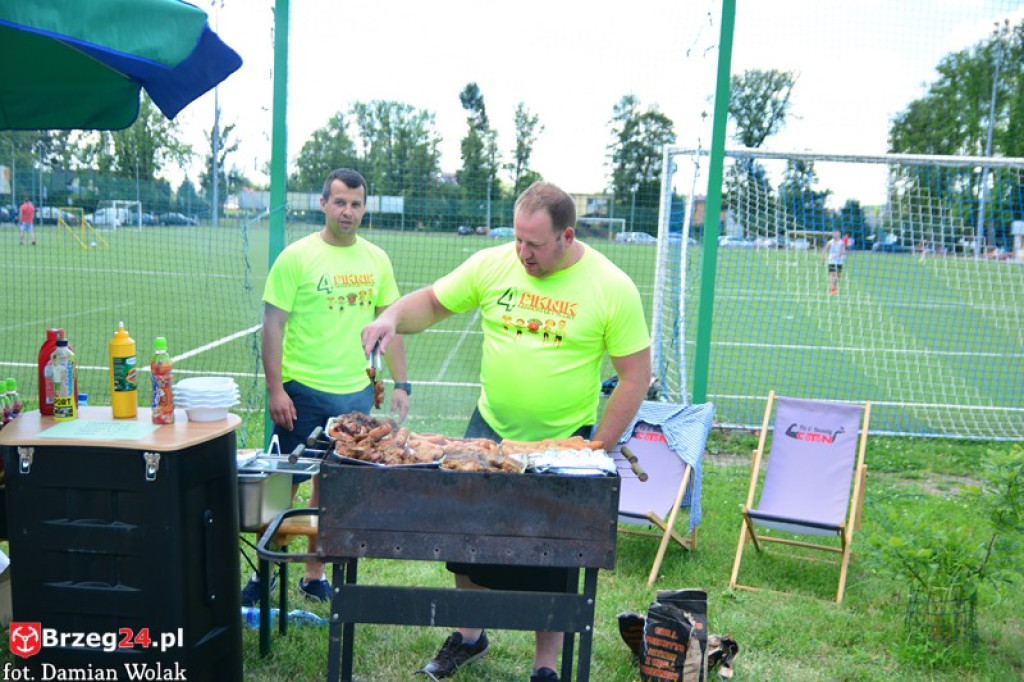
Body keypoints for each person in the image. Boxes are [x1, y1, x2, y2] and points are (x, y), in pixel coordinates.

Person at [362, 181, 651, 682]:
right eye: (518, 239)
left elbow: (635, 375)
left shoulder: (611, 286)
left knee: (555, 554)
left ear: (567, 235)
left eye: (534, 244)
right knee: (467, 541)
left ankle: (545, 665)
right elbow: (431, 303)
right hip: (489, 432)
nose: (523, 253)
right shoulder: (493, 265)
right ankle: (469, 637)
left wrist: (598, 445)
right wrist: (390, 318)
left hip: (564, 441)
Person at [249, 168, 410, 605]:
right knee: (285, 482)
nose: (348, 211)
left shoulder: (377, 259)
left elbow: (389, 326)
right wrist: (276, 388)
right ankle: (265, 573)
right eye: (340, 202)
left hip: (354, 395)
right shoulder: (296, 257)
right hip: (301, 392)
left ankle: (313, 574)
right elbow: (272, 326)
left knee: (333, 487)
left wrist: (402, 383)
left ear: (364, 208)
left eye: (356, 204)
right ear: (323, 204)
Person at [822, 229, 847, 295]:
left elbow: (843, 251)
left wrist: (839, 255)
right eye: (835, 234)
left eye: (837, 234)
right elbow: (824, 250)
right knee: (831, 274)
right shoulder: (830, 242)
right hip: (831, 261)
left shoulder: (841, 243)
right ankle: (833, 289)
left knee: (838, 276)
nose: (836, 235)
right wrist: (823, 259)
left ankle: (834, 287)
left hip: (839, 261)